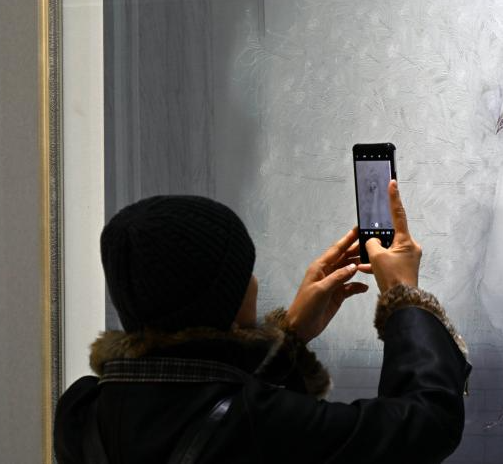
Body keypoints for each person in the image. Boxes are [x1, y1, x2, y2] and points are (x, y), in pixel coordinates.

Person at [54, 180, 471, 463]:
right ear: (223, 300)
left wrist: (288, 339)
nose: (253, 282)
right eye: (244, 273)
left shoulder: (81, 415)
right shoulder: (260, 422)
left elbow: (198, 399)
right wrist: (403, 295)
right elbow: (427, 425)